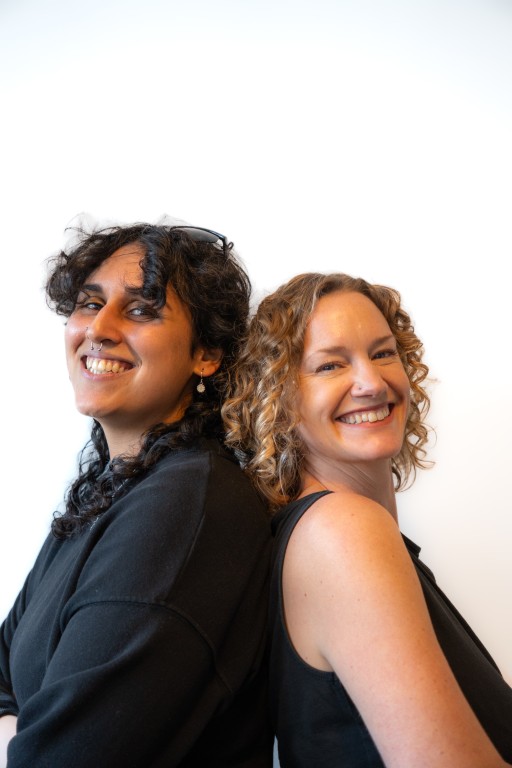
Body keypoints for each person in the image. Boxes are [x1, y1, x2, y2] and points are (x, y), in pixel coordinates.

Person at [0, 220, 273, 767]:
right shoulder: (109, 491)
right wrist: (20, 734)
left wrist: (20, 736)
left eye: (142, 309)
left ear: (207, 354)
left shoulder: (186, 509)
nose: (98, 328)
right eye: (89, 303)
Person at [223, 272, 512, 768]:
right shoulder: (343, 532)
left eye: (383, 353)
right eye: (330, 365)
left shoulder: (338, 533)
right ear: (279, 398)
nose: (372, 383)